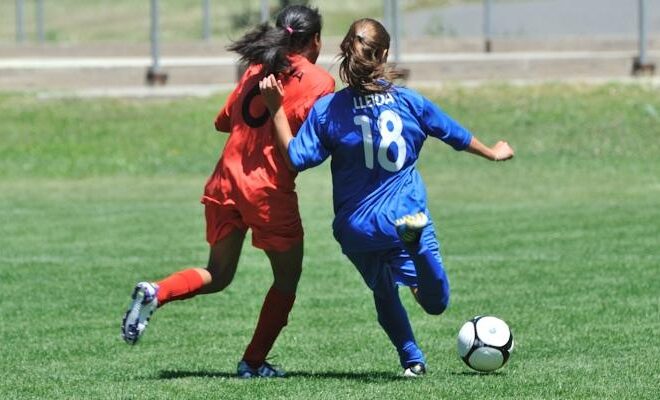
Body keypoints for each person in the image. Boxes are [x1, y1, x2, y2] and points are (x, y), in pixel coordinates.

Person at [259, 18, 514, 377]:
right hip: (404, 215)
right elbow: (453, 134)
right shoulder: (410, 102)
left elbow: (298, 158)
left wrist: (277, 109)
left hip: (356, 228)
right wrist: (491, 151)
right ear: (384, 55)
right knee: (434, 302)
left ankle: (412, 360)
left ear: (344, 51)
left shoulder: (329, 109)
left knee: (383, 291)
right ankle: (418, 248)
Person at [120, 5, 335, 379]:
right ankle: (252, 363)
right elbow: (303, 148)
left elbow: (223, 121)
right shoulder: (319, 81)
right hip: (267, 189)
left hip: (226, 179)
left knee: (218, 273)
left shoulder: (256, 66)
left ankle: (157, 291)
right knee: (286, 279)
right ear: (316, 40)